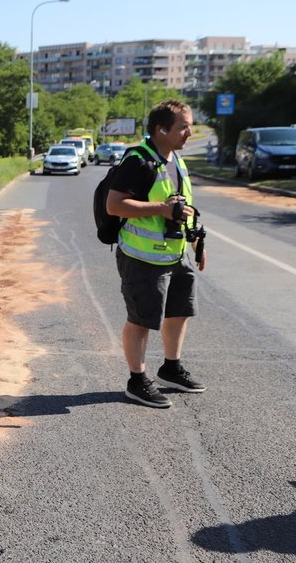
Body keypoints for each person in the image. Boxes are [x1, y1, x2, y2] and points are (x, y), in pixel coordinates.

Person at [106, 99, 207, 408]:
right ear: (161, 130)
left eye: (190, 125)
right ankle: (137, 380)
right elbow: (115, 205)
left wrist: (197, 241)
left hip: (177, 255)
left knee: (179, 312)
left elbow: (182, 205)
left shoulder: (175, 158)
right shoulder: (138, 161)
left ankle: (170, 368)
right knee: (141, 320)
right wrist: (163, 209)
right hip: (142, 257)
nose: (190, 131)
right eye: (184, 127)